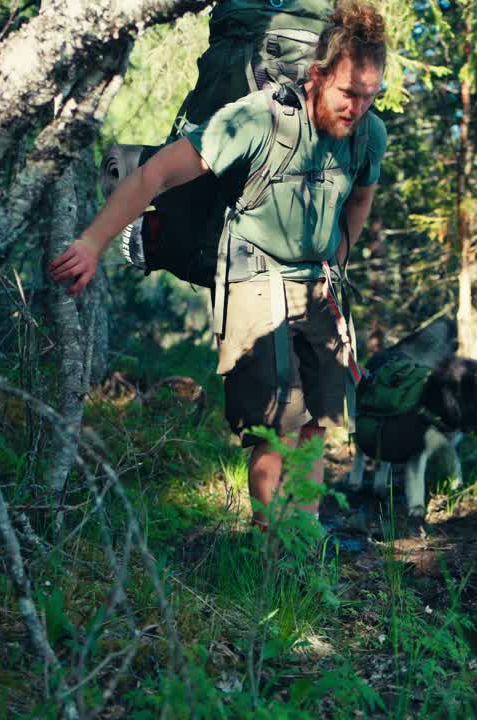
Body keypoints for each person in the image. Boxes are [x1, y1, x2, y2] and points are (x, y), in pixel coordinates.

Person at [49, 0, 388, 530]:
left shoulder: (369, 133)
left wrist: (336, 263)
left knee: (317, 426)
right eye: (349, 93)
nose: (359, 107)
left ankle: (302, 547)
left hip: (315, 282)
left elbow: (361, 197)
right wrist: (92, 243)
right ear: (318, 75)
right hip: (254, 276)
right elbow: (156, 175)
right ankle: (272, 550)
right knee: (276, 425)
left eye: (371, 96)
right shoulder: (258, 118)